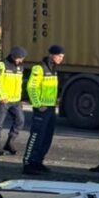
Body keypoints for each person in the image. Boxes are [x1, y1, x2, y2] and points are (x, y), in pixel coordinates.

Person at [23, 45, 65, 175]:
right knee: (36, 136)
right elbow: (31, 87)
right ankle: (28, 163)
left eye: (62, 57)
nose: (61, 59)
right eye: (59, 56)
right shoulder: (39, 68)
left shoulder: (53, 69)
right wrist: (37, 104)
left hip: (51, 108)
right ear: (52, 55)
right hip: (41, 109)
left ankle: (38, 162)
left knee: (47, 137)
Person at [0, 46, 26, 156]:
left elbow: (19, 85)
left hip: (15, 101)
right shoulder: (1, 66)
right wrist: (2, 96)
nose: (21, 60)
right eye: (19, 58)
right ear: (13, 56)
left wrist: (19, 100)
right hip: (2, 100)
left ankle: (9, 142)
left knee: (20, 120)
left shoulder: (20, 67)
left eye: (22, 58)